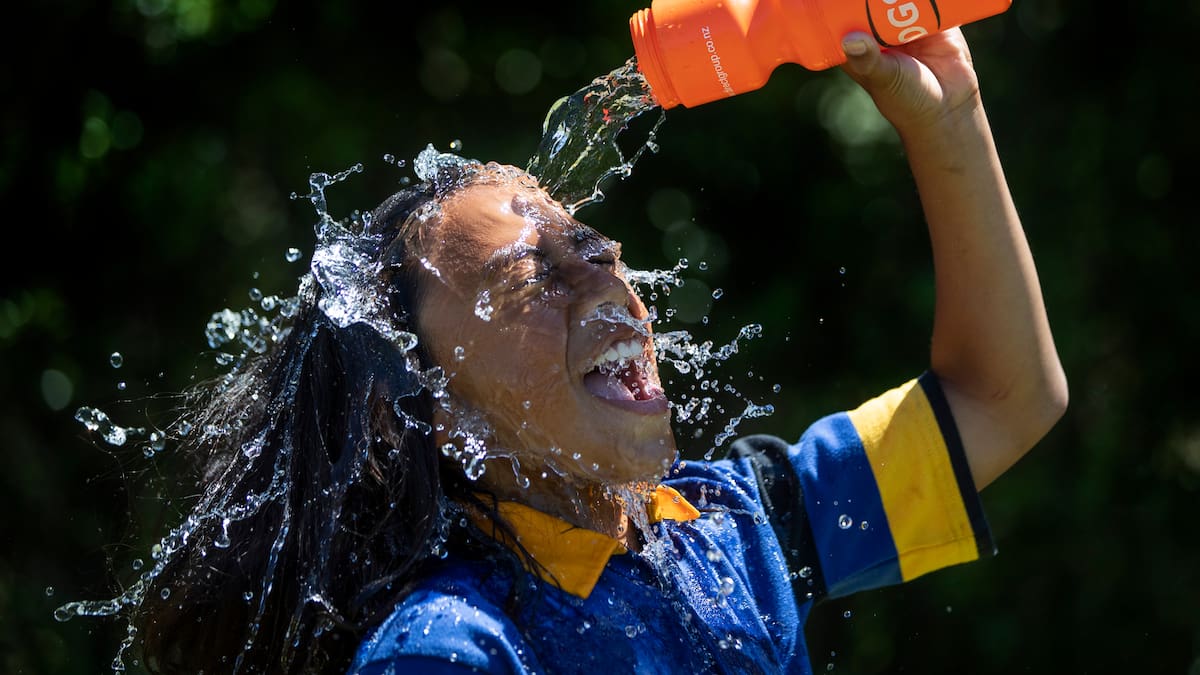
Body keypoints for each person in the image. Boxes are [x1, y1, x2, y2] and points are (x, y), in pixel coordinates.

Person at [124, 27, 1066, 674]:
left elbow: (1003, 399)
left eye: (587, 241)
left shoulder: (736, 529)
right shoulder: (453, 647)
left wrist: (949, 117)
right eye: (527, 274)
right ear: (426, 407)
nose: (601, 263)